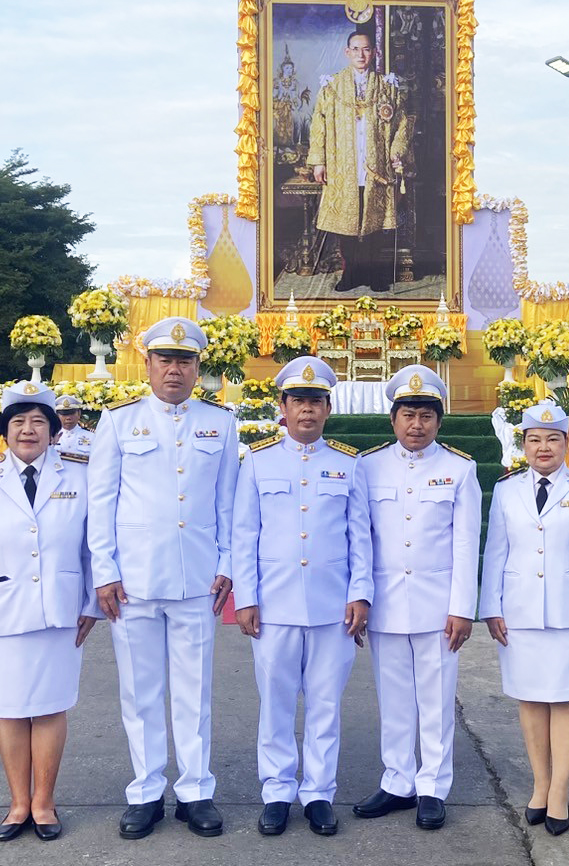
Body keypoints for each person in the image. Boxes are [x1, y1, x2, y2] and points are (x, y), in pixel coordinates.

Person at [87, 317, 240, 840]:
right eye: (165, 360)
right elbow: (100, 502)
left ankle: (196, 791)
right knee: (140, 690)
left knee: (194, 691)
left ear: (198, 368)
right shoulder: (118, 422)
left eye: (185, 361)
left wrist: (226, 565)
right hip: (133, 580)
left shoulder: (219, 424)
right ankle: (147, 791)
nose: (175, 370)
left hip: (197, 578)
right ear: (148, 365)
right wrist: (104, 572)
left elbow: (227, 503)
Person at [0, 382, 99, 843]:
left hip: (60, 609)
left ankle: (44, 803)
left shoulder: (78, 473)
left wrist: (91, 602)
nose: (28, 430)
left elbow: (94, 545)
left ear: (53, 431)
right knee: (9, 710)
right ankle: (17, 804)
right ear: (4, 431)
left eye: (38, 422)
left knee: (50, 707)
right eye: (18, 422)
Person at [231, 356, 372, 837]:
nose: (307, 411)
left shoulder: (349, 463)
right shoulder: (258, 460)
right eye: (298, 402)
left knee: (325, 704)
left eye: (316, 402)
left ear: (328, 408)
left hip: (334, 608)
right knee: (275, 702)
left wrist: (361, 595)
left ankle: (318, 792)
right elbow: (243, 534)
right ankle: (276, 791)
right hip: (274, 604)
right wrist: (245, 598)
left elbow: (361, 537)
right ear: (282, 407)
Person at [352, 364, 479, 830]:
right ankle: (397, 780)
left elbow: (466, 544)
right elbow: (360, 538)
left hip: (437, 605)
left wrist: (462, 608)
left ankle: (432, 785)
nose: (416, 424)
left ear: (439, 421)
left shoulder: (459, 469)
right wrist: (361, 598)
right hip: (385, 602)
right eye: (408, 413)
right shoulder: (368, 466)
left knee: (437, 698)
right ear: (393, 419)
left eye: (426, 415)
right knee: (394, 697)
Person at [479, 400, 569, 836]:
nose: (543, 448)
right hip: (519, 611)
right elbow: (496, 551)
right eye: (534, 439)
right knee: (531, 699)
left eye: (552, 439)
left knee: (567, 699)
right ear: (524, 445)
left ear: (566, 443)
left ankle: (560, 791)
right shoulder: (506, 488)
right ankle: (540, 784)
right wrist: (491, 606)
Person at [307, 26, 412, 293]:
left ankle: (376, 274)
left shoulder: (387, 87)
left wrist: (396, 152)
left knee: (375, 222)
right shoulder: (331, 87)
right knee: (348, 224)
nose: (361, 54)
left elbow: (402, 124)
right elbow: (318, 125)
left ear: (374, 52)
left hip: (376, 166)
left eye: (366, 49)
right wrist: (319, 161)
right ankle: (350, 273)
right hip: (343, 166)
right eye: (356, 49)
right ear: (347, 52)